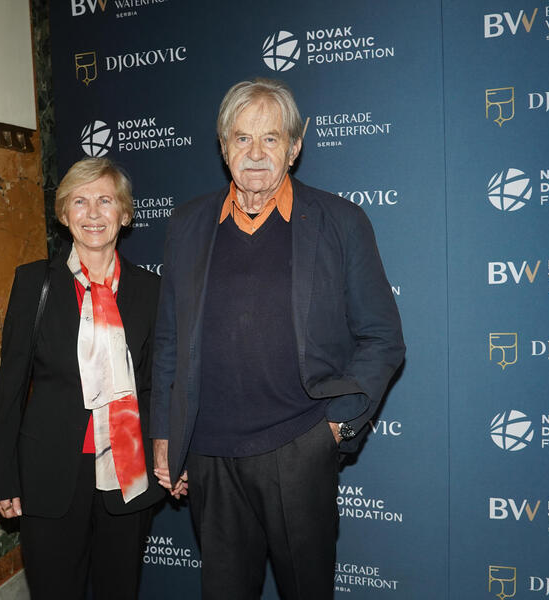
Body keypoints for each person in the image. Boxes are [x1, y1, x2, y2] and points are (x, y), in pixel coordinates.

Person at [151, 78, 405, 600]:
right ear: (223, 146)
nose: (256, 153)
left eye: (271, 138)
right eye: (242, 138)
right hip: (209, 455)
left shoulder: (341, 222)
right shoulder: (188, 224)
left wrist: (335, 426)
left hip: (299, 447)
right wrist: (165, 436)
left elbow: (383, 337)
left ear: (295, 146)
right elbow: (170, 339)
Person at [0, 158, 164, 600]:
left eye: (106, 200)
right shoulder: (34, 283)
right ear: (64, 215)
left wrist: (170, 457)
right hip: (49, 474)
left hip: (128, 472)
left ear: (125, 214)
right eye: (80, 202)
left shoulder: (150, 290)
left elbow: (157, 385)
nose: (93, 213)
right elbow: (10, 386)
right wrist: (2, 474)